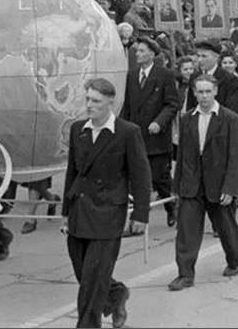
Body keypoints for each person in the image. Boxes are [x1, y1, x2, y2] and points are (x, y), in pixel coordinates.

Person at [62, 78, 151, 328]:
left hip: (107, 213)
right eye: (87, 99)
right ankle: (115, 294)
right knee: (84, 273)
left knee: (92, 280)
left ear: (110, 102)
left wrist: (141, 215)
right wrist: (66, 211)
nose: (89, 105)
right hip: (79, 210)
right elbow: (72, 172)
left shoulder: (127, 132)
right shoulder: (78, 129)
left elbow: (141, 175)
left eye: (96, 101)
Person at [169, 74, 238, 291]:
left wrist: (230, 188)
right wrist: (177, 186)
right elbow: (182, 154)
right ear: (194, 93)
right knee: (187, 231)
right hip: (192, 184)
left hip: (219, 185)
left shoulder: (229, 118)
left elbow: (235, 156)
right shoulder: (187, 119)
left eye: (208, 92)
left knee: (226, 227)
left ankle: (234, 260)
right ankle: (185, 274)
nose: (204, 96)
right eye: (200, 92)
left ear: (215, 92)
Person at [120, 37, 180, 229]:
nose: (137, 54)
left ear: (152, 54)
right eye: (136, 51)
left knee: (159, 178)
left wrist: (159, 122)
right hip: (136, 136)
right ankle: (137, 220)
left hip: (156, 137)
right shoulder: (131, 75)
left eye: (142, 51)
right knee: (136, 179)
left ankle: (171, 207)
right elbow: (127, 106)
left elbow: (172, 104)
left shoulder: (165, 75)